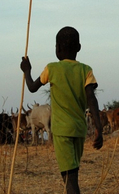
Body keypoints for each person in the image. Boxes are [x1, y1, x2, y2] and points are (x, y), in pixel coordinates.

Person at [20, 26, 103, 194]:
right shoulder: (86, 70)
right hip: (79, 130)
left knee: (70, 179)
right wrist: (98, 127)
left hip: (62, 131)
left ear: (57, 49)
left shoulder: (52, 68)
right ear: (79, 48)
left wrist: (26, 70)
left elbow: (31, 87)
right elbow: (91, 99)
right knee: (72, 172)